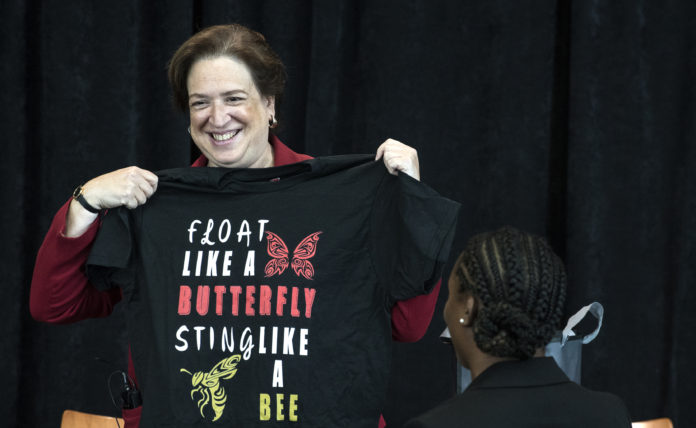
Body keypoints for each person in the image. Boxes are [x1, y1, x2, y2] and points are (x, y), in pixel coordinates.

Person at [30, 24, 453, 427]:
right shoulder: (155, 206)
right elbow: (54, 305)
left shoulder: (342, 201)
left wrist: (408, 205)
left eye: (234, 98)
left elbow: (408, 326)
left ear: (269, 104)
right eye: (200, 102)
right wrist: (84, 203)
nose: (217, 118)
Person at [404, 226, 632, 428]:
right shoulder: (610, 414)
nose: (446, 310)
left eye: (450, 296)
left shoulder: (436, 425)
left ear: (468, 309)